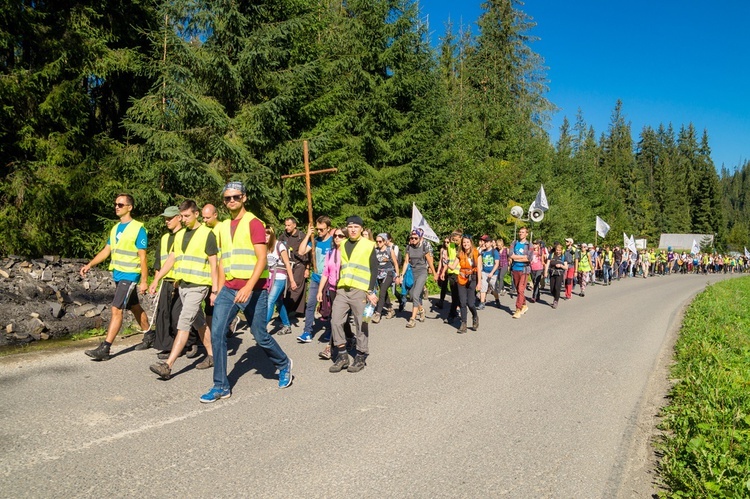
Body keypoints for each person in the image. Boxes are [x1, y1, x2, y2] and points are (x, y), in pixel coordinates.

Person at [200, 182, 293, 403]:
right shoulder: (222, 227)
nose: (231, 200)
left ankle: (283, 363)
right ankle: (220, 386)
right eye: (227, 198)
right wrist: (218, 290)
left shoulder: (255, 223)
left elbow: (262, 259)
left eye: (235, 197)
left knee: (259, 334)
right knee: (217, 334)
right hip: (230, 289)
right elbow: (224, 261)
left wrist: (248, 287)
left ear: (244, 198)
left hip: (255, 290)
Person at [148, 200, 218, 379]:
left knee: (184, 321)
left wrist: (215, 290)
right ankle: (213, 356)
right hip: (183, 286)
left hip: (198, 286)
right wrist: (157, 278)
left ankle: (168, 365)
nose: (184, 219)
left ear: (196, 214)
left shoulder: (207, 234)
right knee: (199, 322)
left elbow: (213, 264)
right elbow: (171, 259)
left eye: (187, 216)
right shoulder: (179, 236)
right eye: (182, 216)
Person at [82, 193, 150, 361]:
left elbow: (143, 257)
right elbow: (107, 250)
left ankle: (105, 348)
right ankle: (150, 335)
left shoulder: (138, 229)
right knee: (134, 306)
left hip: (130, 275)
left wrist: (143, 281)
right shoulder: (115, 228)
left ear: (129, 207)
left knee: (116, 309)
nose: (117, 207)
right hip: (118, 274)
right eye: (116, 204)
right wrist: (90, 264)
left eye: (120, 204)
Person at [329, 216, 378, 374]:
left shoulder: (369, 245)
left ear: (361, 229)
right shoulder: (342, 244)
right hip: (343, 288)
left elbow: (374, 269)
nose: (353, 229)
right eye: (350, 227)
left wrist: (370, 291)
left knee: (361, 322)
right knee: (335, 321)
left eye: (356, 227)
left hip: (361, 290)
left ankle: (361, 355)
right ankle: (342, 355)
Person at [135, 206, 187, 355]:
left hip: (180, 281)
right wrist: (155, 281)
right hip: (165, 280)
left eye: (170, 218)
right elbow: (159, 261)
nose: (167, 221)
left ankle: (189, 342)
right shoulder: (164, 238)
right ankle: (167, 345)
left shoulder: (185, 235)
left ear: (179, 217)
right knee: (163, 314)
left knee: (178, 316)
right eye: (166, 218)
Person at [296, 216, 334, 343]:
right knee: (311, 304)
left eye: (322, 229)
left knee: (328, 306)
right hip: (316, 278)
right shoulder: (315, 240)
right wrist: (308, 235)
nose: (319, 232)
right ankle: (307, 332)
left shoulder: (334, 242)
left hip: (329, 279)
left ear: (328, 228)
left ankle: (330, 331)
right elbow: (301, 252)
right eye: (317, 229)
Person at [316, 227, 347, 360]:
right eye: (335, 236)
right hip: (333, 289)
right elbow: (325, 273)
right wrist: (319, 290)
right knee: (338, 319)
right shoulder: (331, 252)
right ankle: (350, 337)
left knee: (336, 319)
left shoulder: (348, 254)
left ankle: (330, 348)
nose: (337, 238)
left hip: (345, 291)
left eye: (340, 236)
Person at [398, 228, 436, 328]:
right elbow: (406, 262)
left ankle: (412, 319)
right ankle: (421, 310)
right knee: (411, 295)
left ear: (420, 238)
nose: (413, 240)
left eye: (415, 238)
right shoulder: (409, 247)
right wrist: (402, 275)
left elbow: (430, 262)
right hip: (411, 273)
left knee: (415, 295)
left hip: (422, 272)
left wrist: (435, 273)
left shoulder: (424, 247)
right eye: (411, 238)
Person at [265, 226, 297, 335]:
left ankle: (262, 327)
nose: (265, 236)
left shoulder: (279, 245)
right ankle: (287, 325)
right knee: (278, 302)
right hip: (269, 278)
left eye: (267, 234)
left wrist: (292, 281)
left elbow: (287, 263)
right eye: (264, 234)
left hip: (280, 278)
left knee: (270, 301)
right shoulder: (265, 247)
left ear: (272, 234)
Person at [278, 217, 309, 321]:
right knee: (286, 288)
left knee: (295, 287)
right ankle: (294, 310)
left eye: (289, 225)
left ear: (294, 225)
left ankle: (285, 312)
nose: (287, 227)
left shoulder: (302, 236)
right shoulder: (283, 236)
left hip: (299, 264)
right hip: (286, 265)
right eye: (285, 225)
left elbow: (307, 253)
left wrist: (307, 268)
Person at [372, 233, 400, 323]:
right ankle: (390, 309)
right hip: (379, 273)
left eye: (380, 241)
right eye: (377, 242)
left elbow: (395, 263)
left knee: (382, 291)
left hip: (388, 272)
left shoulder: (389, 250)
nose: (378, 243)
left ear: (384, 241)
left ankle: (378, 313)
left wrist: (398, 276)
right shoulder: (375, 251)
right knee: (384, 292)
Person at [441, 231, 462, 324]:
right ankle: (454, 313)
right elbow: (449, 260)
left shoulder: (464, 247)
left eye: (456, 239)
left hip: (460, 273)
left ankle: (453, 313)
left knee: (458, 295)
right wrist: (443, 271)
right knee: (454, 295)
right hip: (451, 273)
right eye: (453, 239)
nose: (454, 241)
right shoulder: (451, 246)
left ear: (460, 237)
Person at [509, 227, 531, 319]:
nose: (520, 233)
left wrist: (516, 257)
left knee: (520, 289)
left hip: (524, 270)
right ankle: (524, 304)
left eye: (523, 232)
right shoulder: (514, 243)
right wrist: (522, 257)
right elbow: (510, 255)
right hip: (515, 268)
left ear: (526, 234)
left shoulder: (529, 245)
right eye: (520, 232)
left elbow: (529, 258)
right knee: (519, 290)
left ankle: (518, 309)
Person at [478, 235, 500, 309]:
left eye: (487, 242)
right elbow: (480, 263)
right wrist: (480, 272)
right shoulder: (483, 252)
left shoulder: (494, 252)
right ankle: (482, 303)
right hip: (484, 272)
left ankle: (497, 299)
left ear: (491, 243)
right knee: (483, 287)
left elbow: (497, 263)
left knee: (494, 289)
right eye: (485, 242)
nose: (485, 243)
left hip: (493, 273)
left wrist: (492, 272)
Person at [547, 243, 567, 309]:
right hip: (552, 273)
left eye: (559, 250)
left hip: (559, 274)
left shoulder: (563, 256)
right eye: (557, 250)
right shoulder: (552, 255)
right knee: (552, 289)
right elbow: (548, 263)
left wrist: (561, 265)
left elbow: (566, 267)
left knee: (557, 288)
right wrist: (545, 272)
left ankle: (556, 300)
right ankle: (555, 296)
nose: (558, 251)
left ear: (561, 250)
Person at [436, 237, 450, 308]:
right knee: (443, 286)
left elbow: (449, 261)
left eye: (448, 242)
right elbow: (440, 261)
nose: (446, 243)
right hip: (443, 269)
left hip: (450, 270)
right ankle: (441, 301)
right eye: (445, 242)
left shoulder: (452, 250)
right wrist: (438, 271)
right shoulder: (442, 250)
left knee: (452, 286)